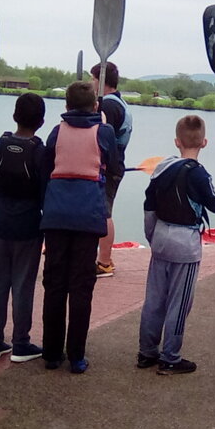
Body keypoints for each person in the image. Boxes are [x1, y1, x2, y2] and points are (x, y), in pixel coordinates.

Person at [137, 115, 215, 374]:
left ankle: (146, 352)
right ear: (204, 142)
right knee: (179, 302)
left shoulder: (161, 170)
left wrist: (153, 238)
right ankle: (170, 357)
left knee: (154, 299)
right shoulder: (198, 174)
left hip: (161, 239)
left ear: (176, 141)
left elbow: (149, 207)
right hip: (185, 245)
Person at [40, 82, 121, 373]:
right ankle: (76, 356)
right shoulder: (105, 132)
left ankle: (50, 353)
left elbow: (44, 167)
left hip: (57, 216)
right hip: (87, 217)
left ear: (66, 107)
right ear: (95, 107)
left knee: (54, 284)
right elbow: (116, 167)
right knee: (81, 287)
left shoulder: (56, 131)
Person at [0, 93, 46, 363]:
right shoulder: (40, 152)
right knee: (23, 286)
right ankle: (20, 344)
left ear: (15, 116)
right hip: (28, 227)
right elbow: (44, 196)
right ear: (40, 121)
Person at [90, 61, 131, 278]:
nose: (91, 83)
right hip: (115, 166)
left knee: (104, 213)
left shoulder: (109, 106)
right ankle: (104, 259)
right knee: (103, 211)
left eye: (93, 79)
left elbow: (102, 139)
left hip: (109, 168)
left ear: (102, 80)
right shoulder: (118, 103)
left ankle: (104, 262)